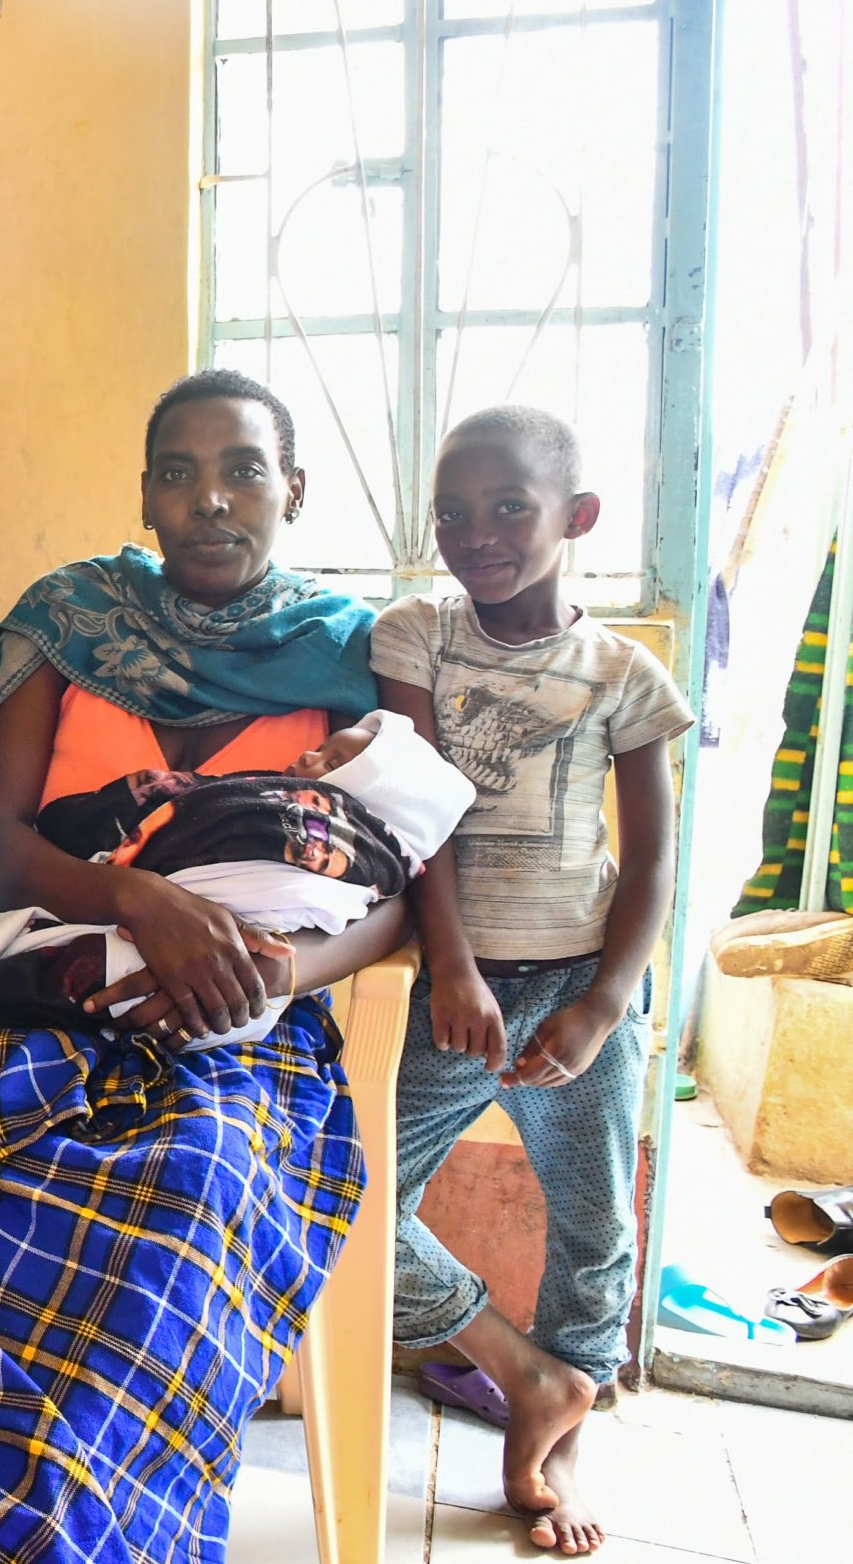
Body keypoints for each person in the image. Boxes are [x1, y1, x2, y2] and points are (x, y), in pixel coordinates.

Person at [0, 370, 411, 1563]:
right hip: (49, 982)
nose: (211, 502)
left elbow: (411, 889)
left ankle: (78, 1531)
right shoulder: (71, 619)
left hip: (244, 1023)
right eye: (177, 475)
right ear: (143, 497)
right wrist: (141, 900)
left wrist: (277, 974)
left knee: (187, 1189)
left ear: (294, 488)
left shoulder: (352, 654)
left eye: (241, 471)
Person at [374, 405, 691, 1558]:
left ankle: (558, 1439)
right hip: (452, 983)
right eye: (453, 512)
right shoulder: (413, 635)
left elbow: (653, 857)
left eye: (511, 507)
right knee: (350, 1197)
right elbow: (412, 821)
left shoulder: (624, 673)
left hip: (577, 980)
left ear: (577, 517)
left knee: (597, 1221)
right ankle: (521, 1372)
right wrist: (449, 964)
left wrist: (604, 1006)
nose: (478, 533)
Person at [0, 707, 472, 1052]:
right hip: (54, 920)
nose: (311, 758)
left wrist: (257, 973)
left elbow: (390, 886)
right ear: (149, 527)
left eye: (331, 758)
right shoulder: (61, 626)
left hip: (238, 1012)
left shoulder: (337, 654)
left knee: (198, 1172)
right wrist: (139, 899)